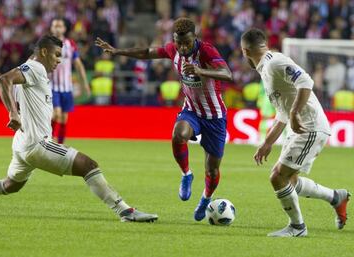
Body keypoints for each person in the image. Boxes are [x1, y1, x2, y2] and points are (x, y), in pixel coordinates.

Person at [0, 35, 158, 223]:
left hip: (22, 143)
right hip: (37, 144)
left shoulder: (30, 69)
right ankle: (126, 211)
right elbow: (3, 80)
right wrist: (13, 114)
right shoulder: (35, 67)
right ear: (44, 52)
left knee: (11, 185)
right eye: (56, 55)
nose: (59, 60)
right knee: (88, 165)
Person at [95, 17, 233, 221]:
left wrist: (200, 70)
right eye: (178, 42)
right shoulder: (173, 49)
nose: (182, 47)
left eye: (186, 42)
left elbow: (227, 73)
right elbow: (147, 53)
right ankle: (186, 174)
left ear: (195, 38)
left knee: (212, 170)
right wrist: (118, 51)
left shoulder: (206, 51)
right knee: (178, 134)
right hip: (192, 110)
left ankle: (206, 198)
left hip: (215, 116)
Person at [240, 28, 350, 237]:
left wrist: (295, 112)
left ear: (245, 51)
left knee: (277, 177)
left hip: (309, 126)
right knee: (289, 181)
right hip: (300, 126)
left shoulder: (274, 63)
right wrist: (267, 143)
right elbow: (282, 114)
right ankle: (336, 197)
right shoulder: (266, 68)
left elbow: (306, 81)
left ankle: (297, 228)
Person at [50, 17, 91, 144]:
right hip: (52, 86)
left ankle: (59, 145)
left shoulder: (70, 44)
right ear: (51, 28)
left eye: (59, 26)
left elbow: (78, 65)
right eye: (55, 26)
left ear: (64, 29)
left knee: (63, 118)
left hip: (66, 87)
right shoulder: (46, 44)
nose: (57, 28)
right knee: (55, 114)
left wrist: (85, 84)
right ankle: (48, 141)